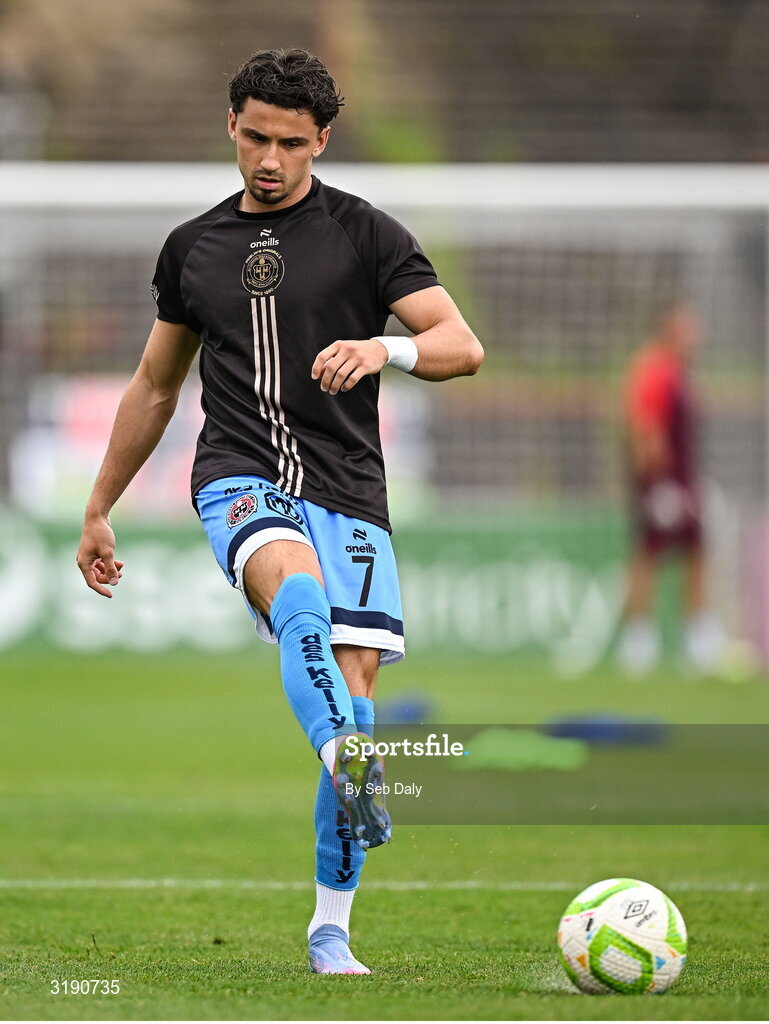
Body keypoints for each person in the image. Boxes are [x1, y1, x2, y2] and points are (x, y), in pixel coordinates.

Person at [75, 48, 483, 975]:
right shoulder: (193, 248)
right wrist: (100, 506)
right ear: (231, 126)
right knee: (294, 595)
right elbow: (153, 384)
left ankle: (329, 929)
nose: (269, 158)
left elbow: (461, 345)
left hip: (351, 491)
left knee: (362, 704)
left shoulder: (366, 234)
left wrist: (388, 351)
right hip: (239, 473)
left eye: (290, 143)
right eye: (254, 136)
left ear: (320, 140)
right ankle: (344, 755)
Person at [617, 301, 723, 674]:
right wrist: (658, 482)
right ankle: (638, 640)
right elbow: (644, 426)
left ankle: (698, 635)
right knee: (649, 553)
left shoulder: (681, 373)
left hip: (681, 479)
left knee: (696, 551)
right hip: (663, 481)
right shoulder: (654, 368)